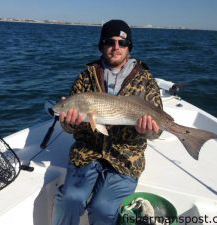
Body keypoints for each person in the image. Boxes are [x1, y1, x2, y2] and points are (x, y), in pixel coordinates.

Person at [51, 19, 162, 225]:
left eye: (122, 42)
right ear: (102, 45)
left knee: (104, 209)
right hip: (87, 152)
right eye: (110, 42)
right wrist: (70, 123)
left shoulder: (146, 80)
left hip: (126, 157)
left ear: (129, 47)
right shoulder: (85, 77)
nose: (116, 47)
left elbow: (157, 132)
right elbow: (67, 126)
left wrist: (147, 131)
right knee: (70, 200)